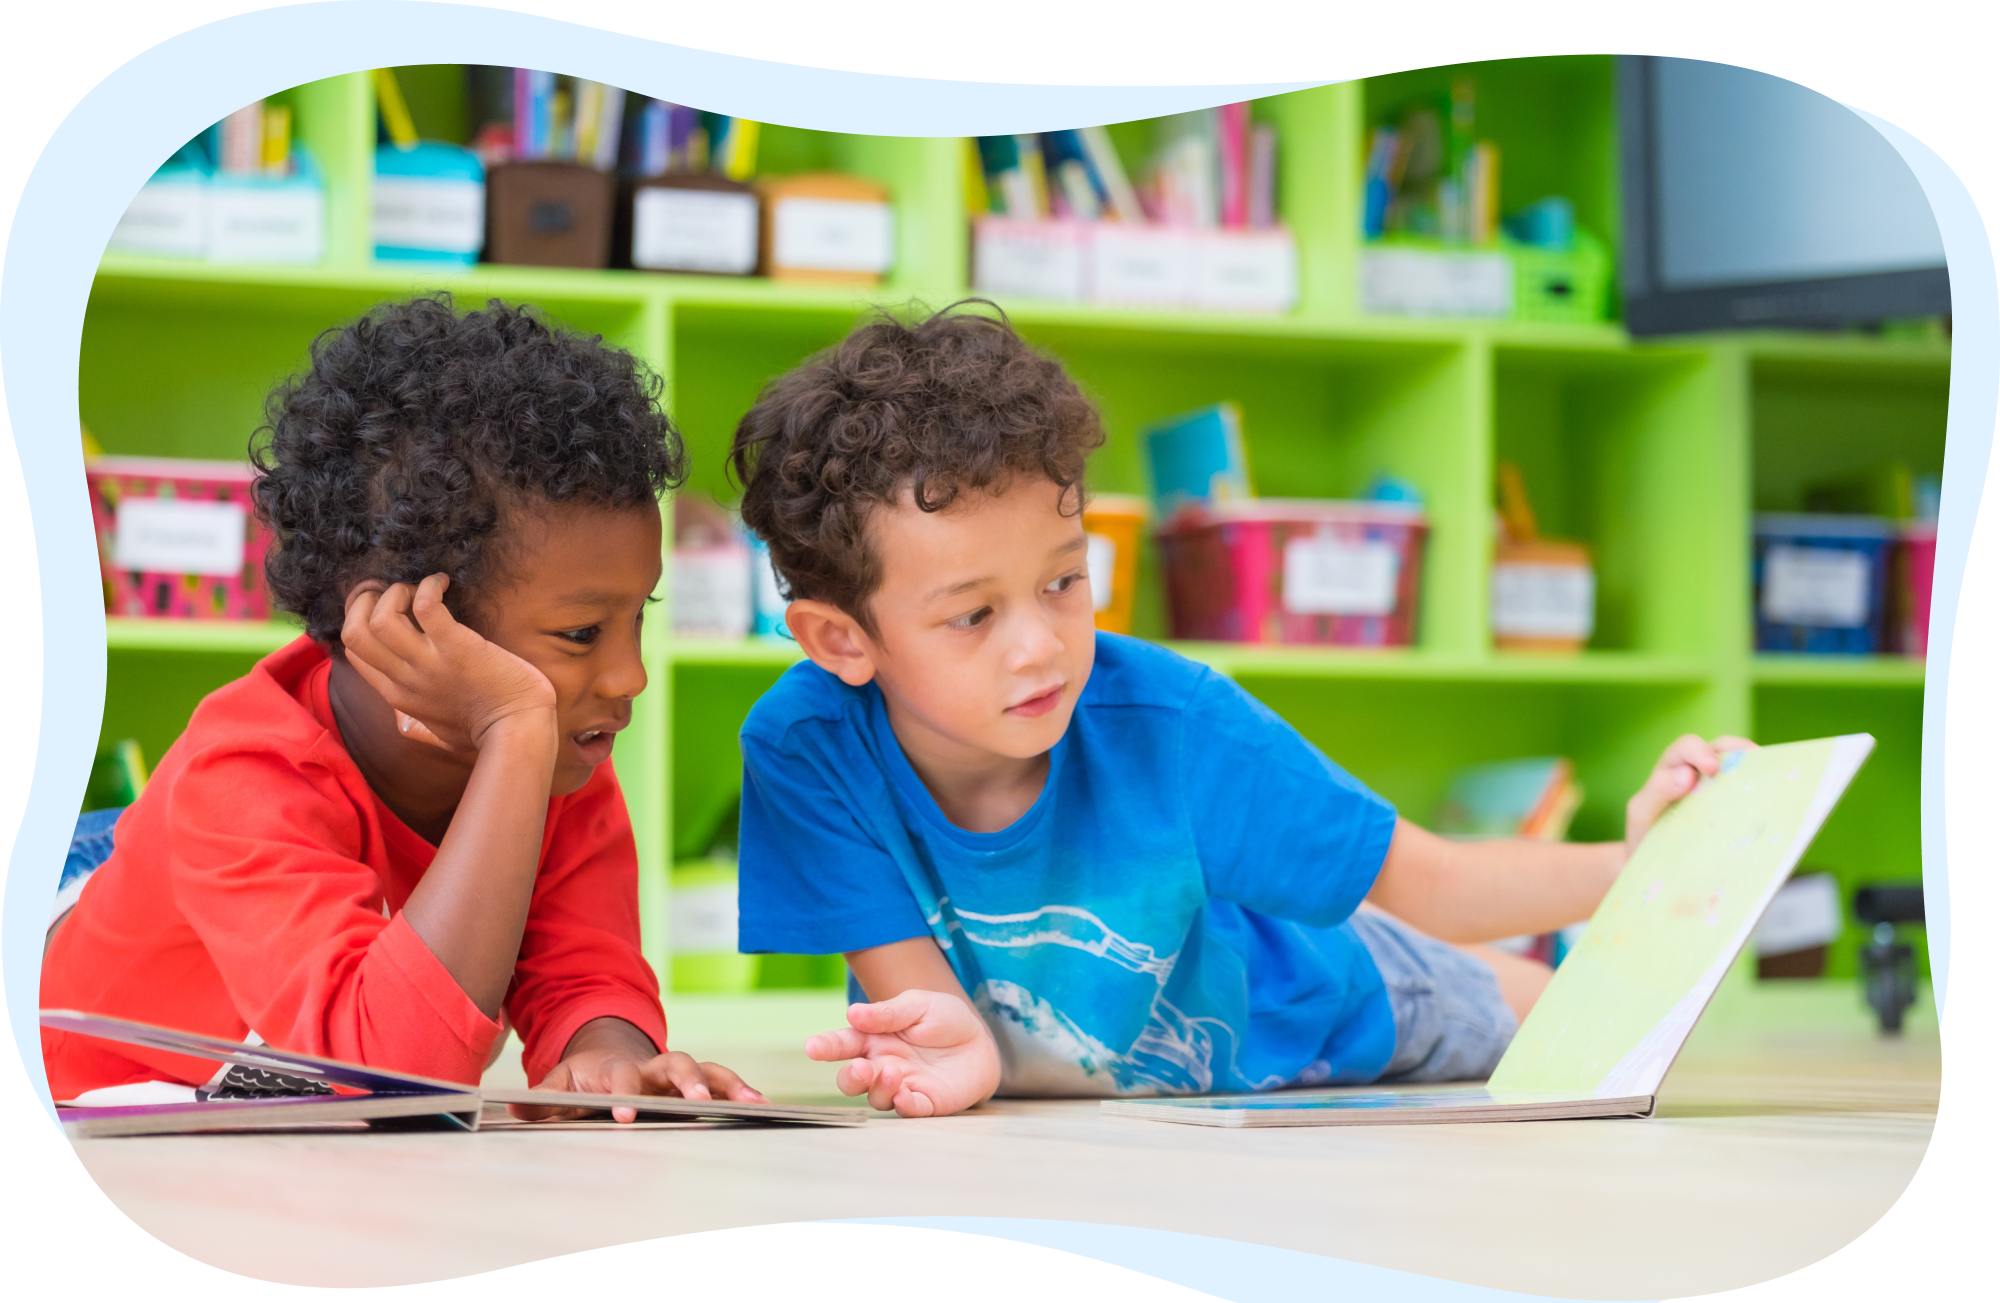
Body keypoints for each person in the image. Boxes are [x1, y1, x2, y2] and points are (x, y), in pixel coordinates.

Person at [727, 301, 1748, 1117]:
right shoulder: (805, 747)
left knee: (1595, 1028)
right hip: (1133, 1068)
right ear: (840, 641)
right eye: (971, 615)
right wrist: (956, 1056)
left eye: (1062, 582)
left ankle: (1534, 956)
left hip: (1327, 1001)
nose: (1038, 645)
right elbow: (943, 1023)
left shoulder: (1173, 724)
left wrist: (1642, 867)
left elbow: (1428, 880)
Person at [43, 296, 762, 1120]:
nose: (630, 675)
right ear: (405, 626)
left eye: (641, 617)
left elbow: (583, 972)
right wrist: (515, 733)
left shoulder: (561, 763)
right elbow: (392, 1083)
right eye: (581, 632)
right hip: (84, 999)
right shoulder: (244, 776)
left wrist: (609, 1056)